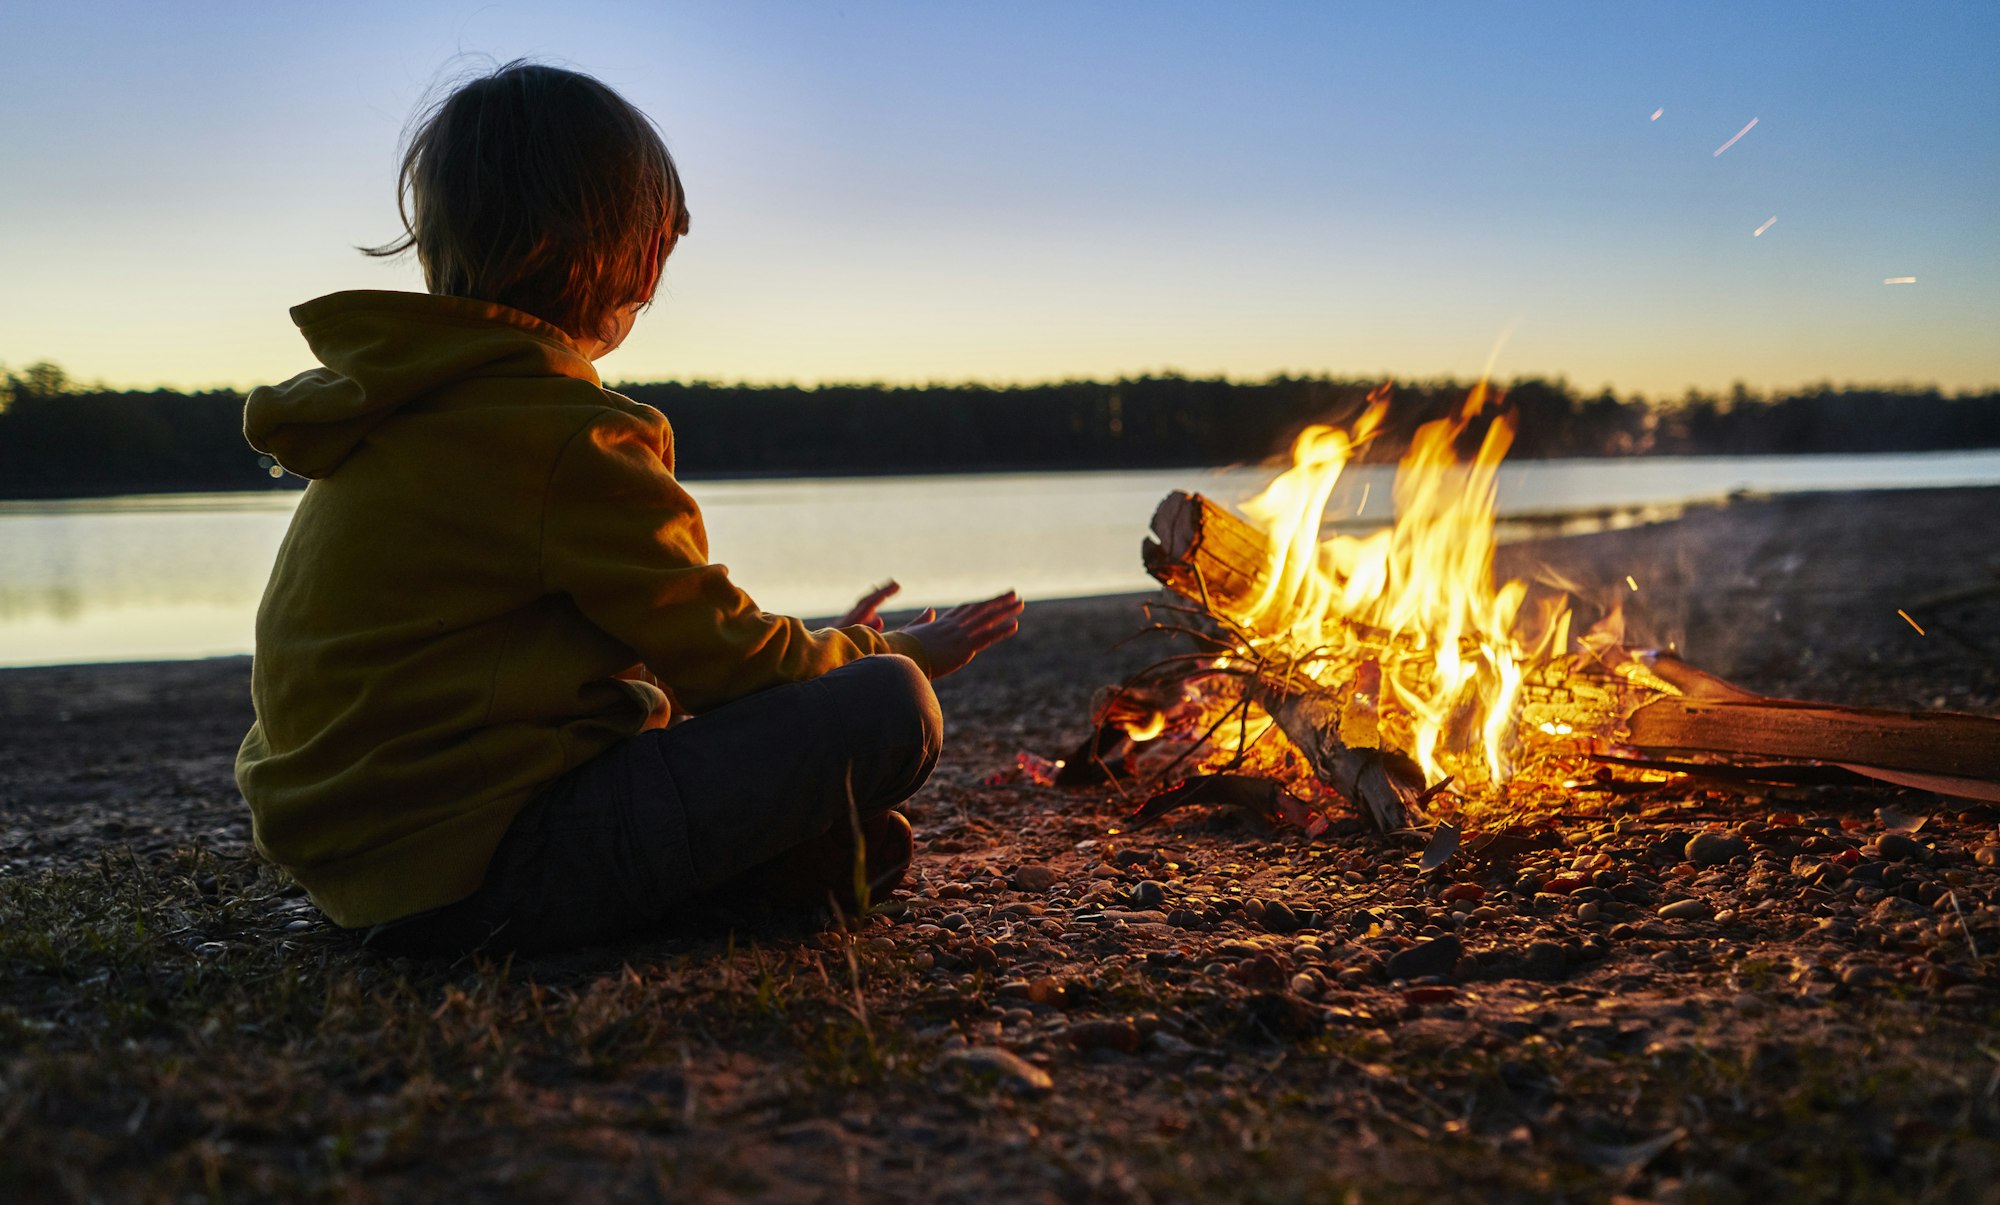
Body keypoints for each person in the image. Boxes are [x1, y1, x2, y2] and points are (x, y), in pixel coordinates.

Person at [235, 61, 1023, 957]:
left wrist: (801, 655)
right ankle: (717, 881)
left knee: (801, 755)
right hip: (481, 869)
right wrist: (904, 648)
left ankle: (758, 870)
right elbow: (728, 668)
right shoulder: (570, 436)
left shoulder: (393, 408)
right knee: (893, 705)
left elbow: (643, 657)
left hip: (357, 866)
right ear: (632, 259)